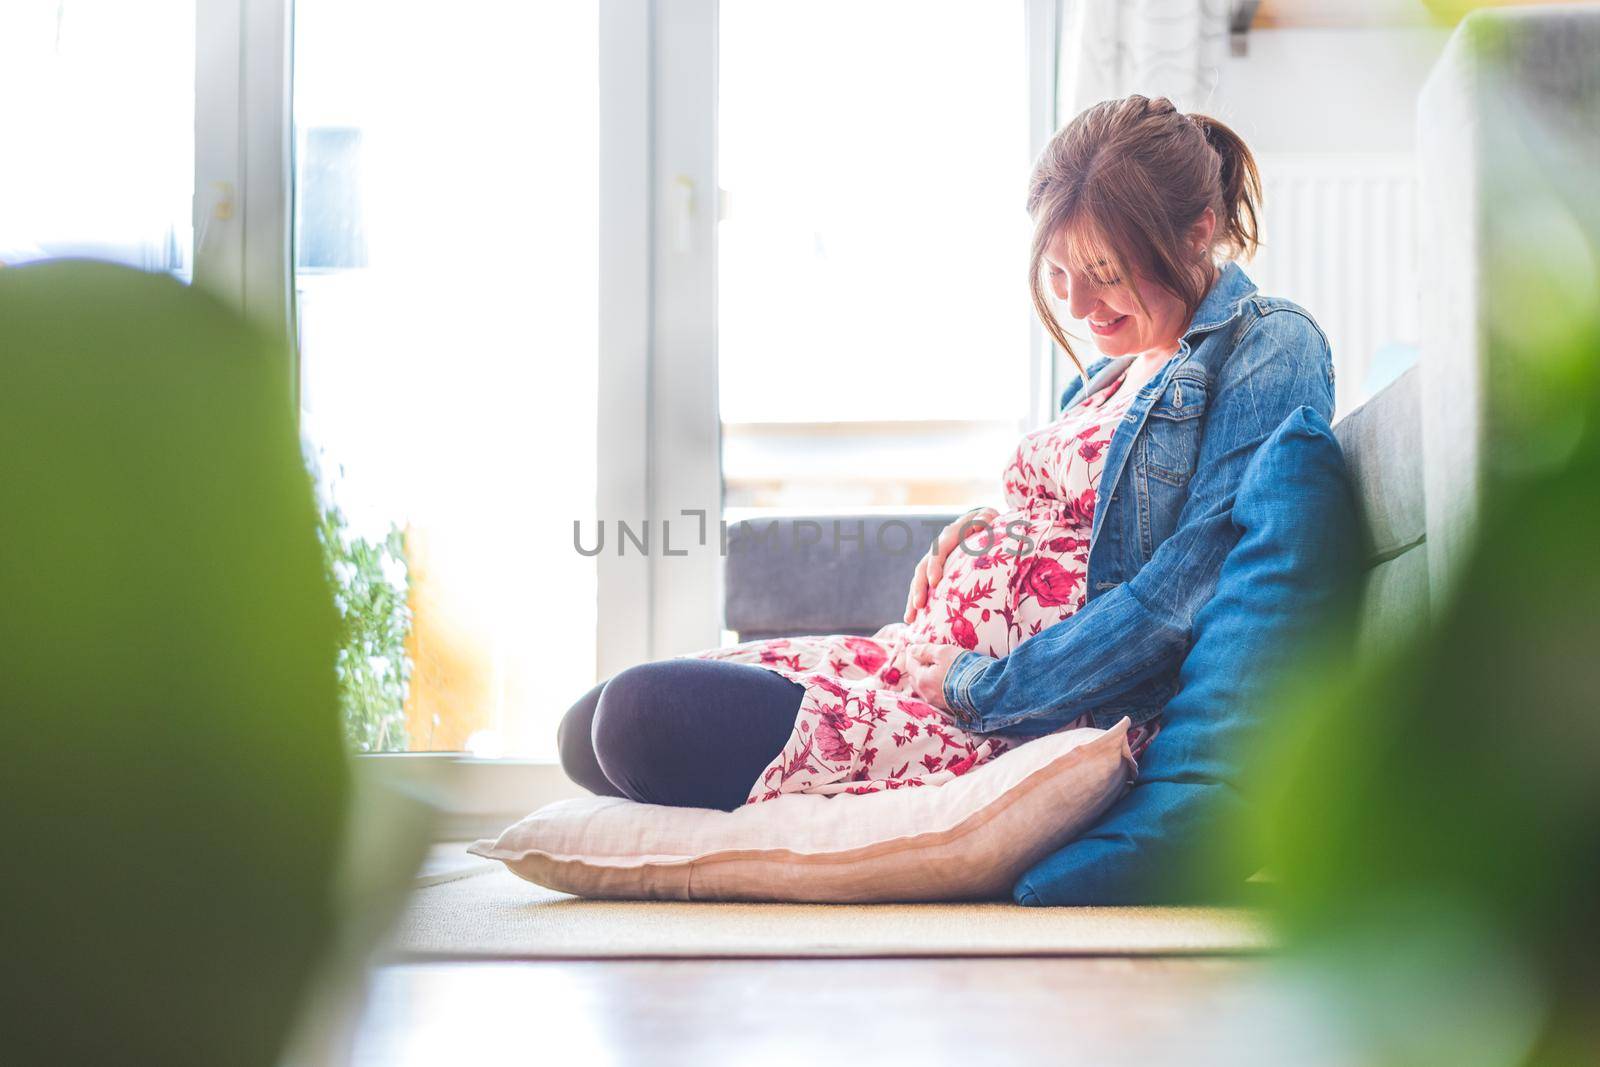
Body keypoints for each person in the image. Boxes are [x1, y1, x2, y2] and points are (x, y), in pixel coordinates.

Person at [559, 93, 1335, 821]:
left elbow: (1182, 596)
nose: (1074, 305)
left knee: (638, 720)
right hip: (933, 666)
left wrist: (980, 684)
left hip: (1025, 712)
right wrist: (982, 532)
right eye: (1058, 272)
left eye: (1102, 273)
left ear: (1198, 230)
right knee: (582, 729)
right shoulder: (1105, 373)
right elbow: (1080, 514)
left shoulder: (1265, 345)